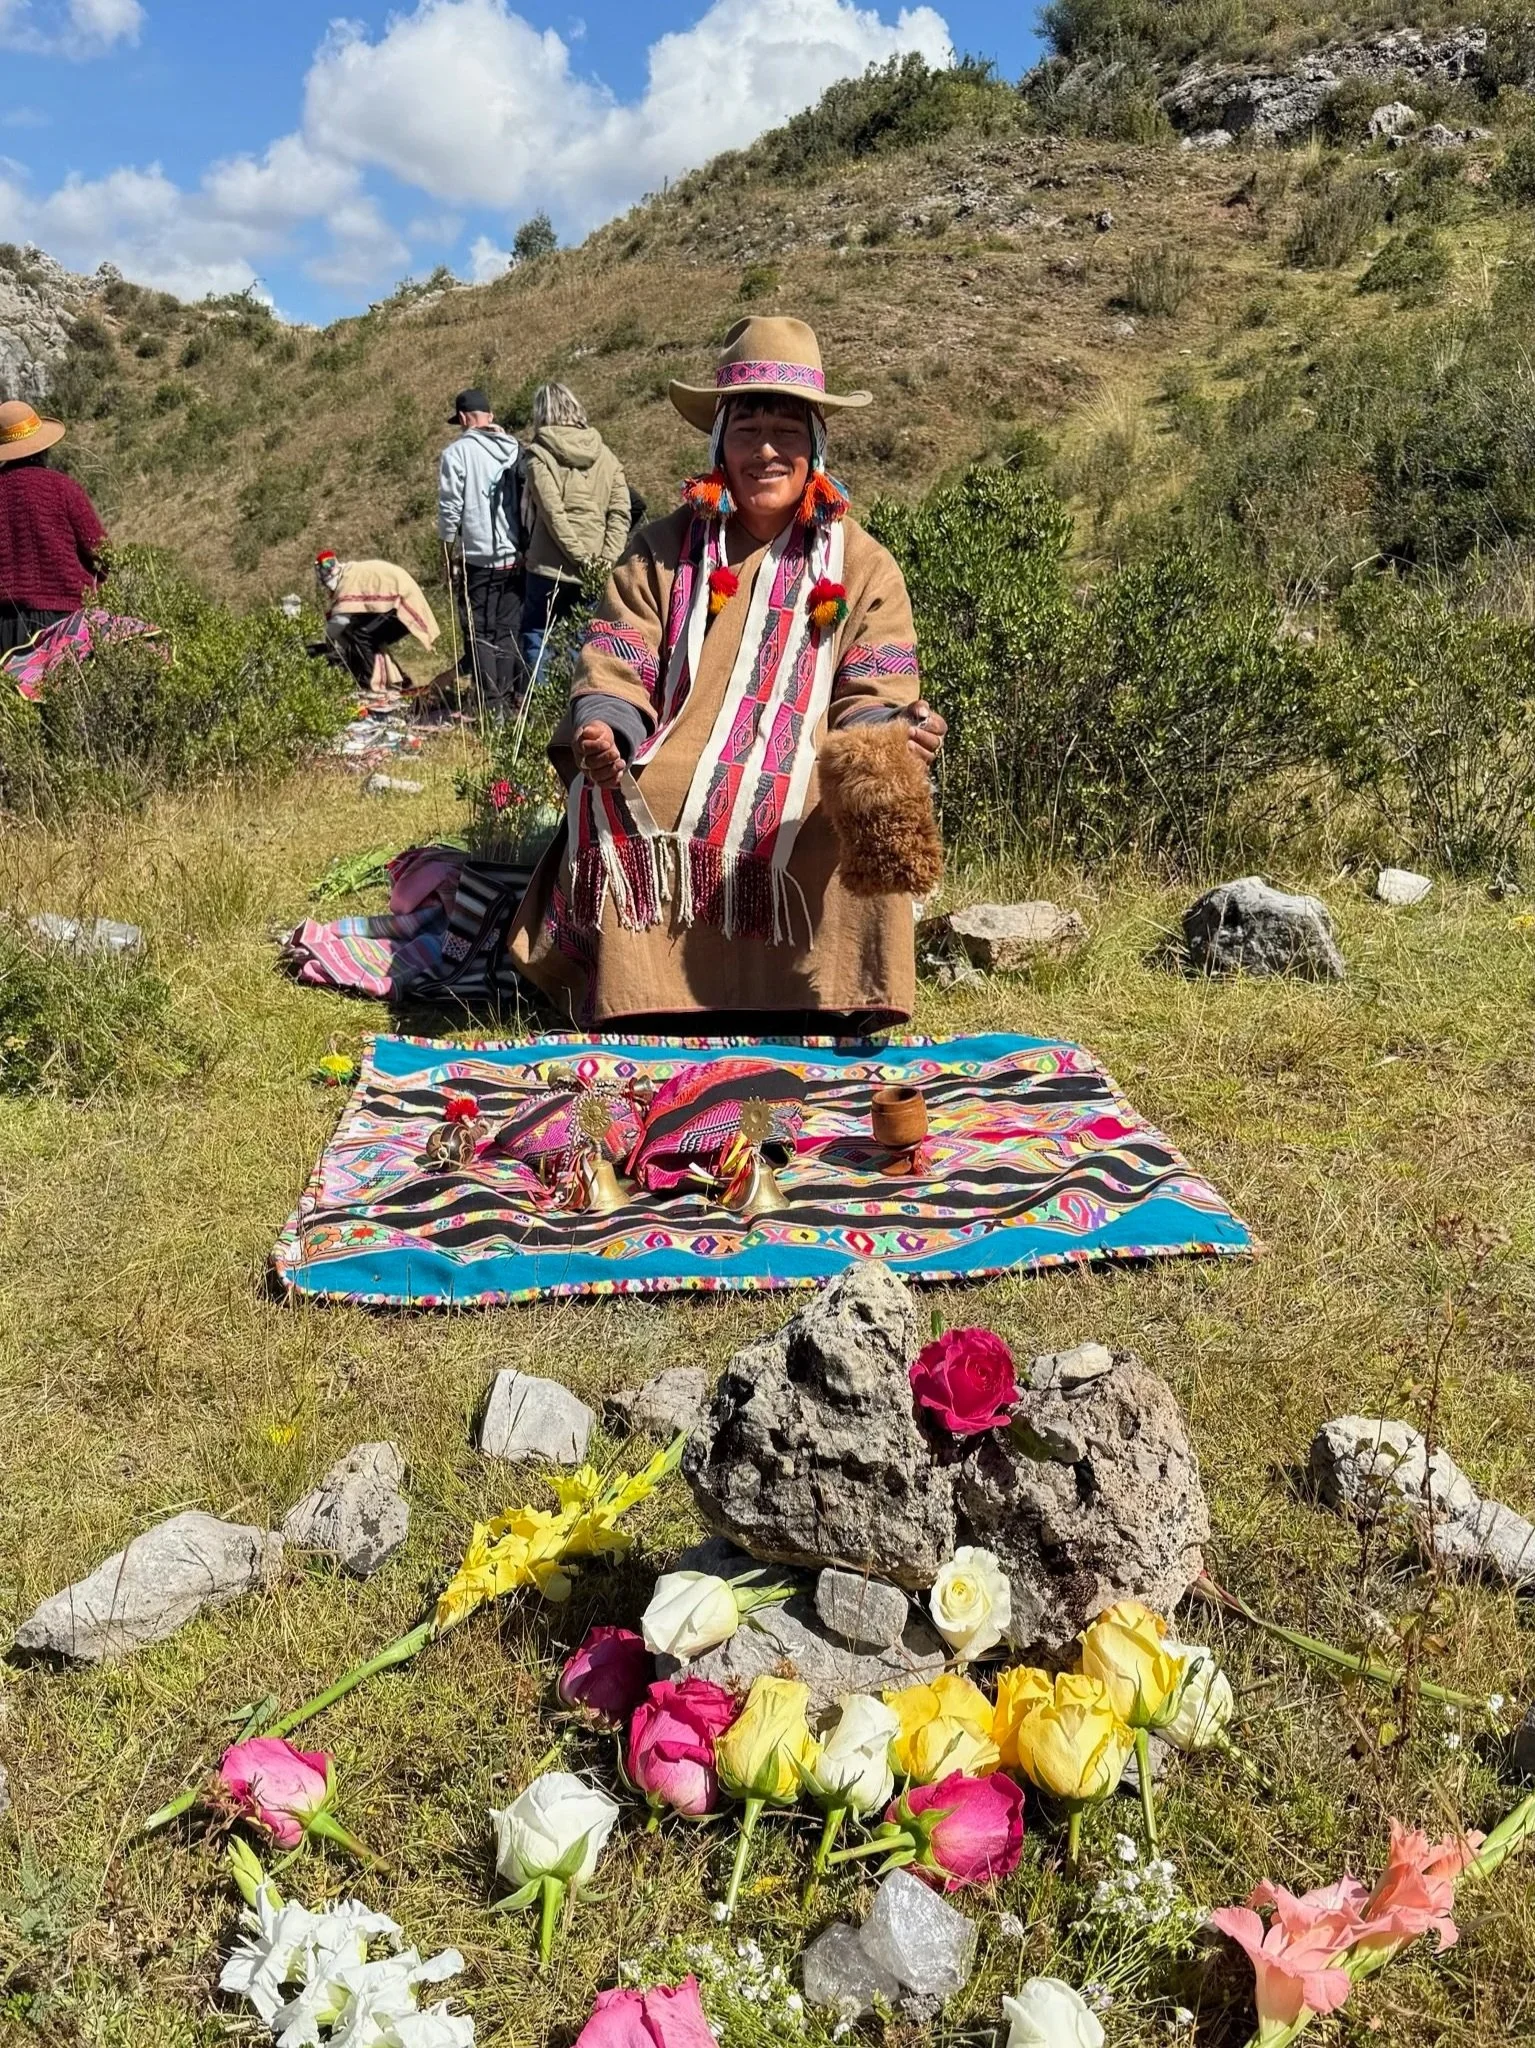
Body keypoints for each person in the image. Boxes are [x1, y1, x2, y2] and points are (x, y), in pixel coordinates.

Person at [508, 315, 947, 1033]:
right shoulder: (661, 550)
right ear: (719, 444)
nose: (767, 451)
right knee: (620, 790)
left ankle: (839, 997)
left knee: (852, 798)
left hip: (805, 758)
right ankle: (641, 1001)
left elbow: (876, 687)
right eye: (747, 431)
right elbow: (617, 659)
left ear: (816, 449)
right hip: (676, 749)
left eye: (788, 431)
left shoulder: (863, 563)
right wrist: (606, 724)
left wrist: (895, 732)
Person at [519, 383, 630, 684]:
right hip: (595, 568)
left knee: (538, 635)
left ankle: (541, 713)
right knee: (585, 639)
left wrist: (578, 557)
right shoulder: (606, 455)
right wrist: (606, 559)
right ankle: (576, 706)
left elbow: (553, 513)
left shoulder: (538, 454)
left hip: (548, 568)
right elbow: (620, 511)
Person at [437, 386, 523, 712]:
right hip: (515, 555)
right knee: (507, 631)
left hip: (480, 558)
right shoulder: (515, 447)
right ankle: (513, 702)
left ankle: (491, 705)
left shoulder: (455, 454)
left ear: (461, 418)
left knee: (482, 633)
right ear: (491, 416)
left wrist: (447, 553)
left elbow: (450, 510)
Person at [0, 400, 107, 653]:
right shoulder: (63, 488)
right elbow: (102, 555)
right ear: (43, 447)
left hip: (4, 627)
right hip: (64, 623)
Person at [315, 549, 440, 694]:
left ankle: (370, 686)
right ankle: (400, 681)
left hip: (402, 604)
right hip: (397, 601)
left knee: (359, 634)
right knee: (367, 637)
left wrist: (328, 643)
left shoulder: (346, 581)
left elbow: (339, 622)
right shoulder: (350, 572)